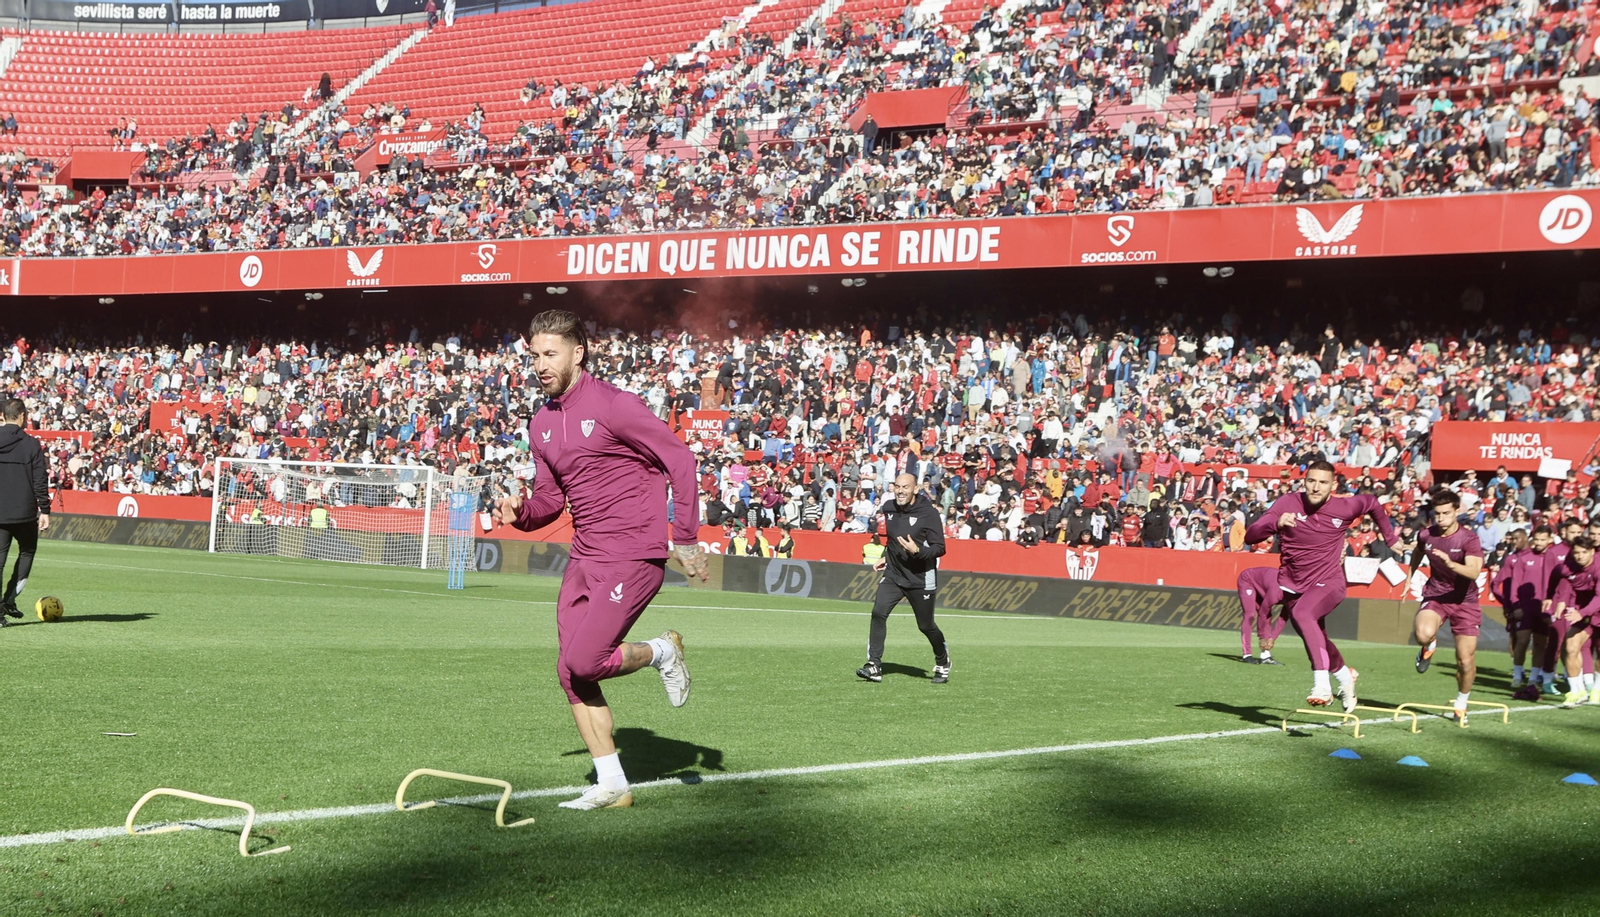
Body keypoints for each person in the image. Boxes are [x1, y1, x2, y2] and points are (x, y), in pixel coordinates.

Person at [496, 311, 705, 811]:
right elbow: (550, 501)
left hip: (633, 553)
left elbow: (682, 460)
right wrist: (520, 512)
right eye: (534, 356)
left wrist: (688, 536)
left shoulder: (615, 406)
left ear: (577, 352)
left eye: (550, 354)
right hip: (585, 556)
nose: (541, 365)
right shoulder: (541, 423)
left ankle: (662, 651)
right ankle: (611, 783)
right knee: (571, 673)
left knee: (584, 659)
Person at [1244, 461, 1396, 711]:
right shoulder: (1287, 503)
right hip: (1296, 586)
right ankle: (1347, 678)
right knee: (1318, 639)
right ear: (1304, 481)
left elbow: (1372, 503)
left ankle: (1322, 685)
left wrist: (1391, 538)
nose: (1316, 487)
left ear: (1333, 485)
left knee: (1303, 614)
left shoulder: (1345, 507)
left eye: (1323, 482)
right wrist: (1276, 523)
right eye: (1311, 481)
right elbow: (1251, 536)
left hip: (1330, 582)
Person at [857, 474, 950, 684]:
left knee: (926, 626)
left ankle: (942, 661)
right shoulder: (889, 508)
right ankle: (874, 665)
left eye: (905, 487)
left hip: (920, 578)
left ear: (915, 489)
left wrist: (917, 550)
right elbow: (892, 540)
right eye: (897, 486)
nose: (900, 491)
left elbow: (940, 548)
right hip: (894, 574)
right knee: (878, 613)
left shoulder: (929, 514)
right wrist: (885, 557)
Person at [1408, 490, 1485, 720]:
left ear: (1457, 511)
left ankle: (1461, 703)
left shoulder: (1469, 539)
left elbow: (1474, 571)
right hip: (1437, 596)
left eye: (1446, 513)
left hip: (1465, 601)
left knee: (1465, 660)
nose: (1440, 518)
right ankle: (1428, 646)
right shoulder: (1426, 535)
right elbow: (1417, 552)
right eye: (1437, 513)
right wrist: (1409, 578)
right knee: (1422, 634)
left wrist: (1451, 564)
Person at [0, 399, 49, 625]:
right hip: (25, 513)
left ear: (4, 416)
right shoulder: (31, 444)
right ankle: (8, 601)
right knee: (27, 552)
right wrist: (45, 510)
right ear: (21, 416)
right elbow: (40, 480)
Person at [1492, 527, 1551, 696]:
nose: (1539, 543)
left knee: (1540, 644)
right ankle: (1517, 675)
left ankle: (1533, 678)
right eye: (1537, 539)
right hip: (1525, 608)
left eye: (1542, 539)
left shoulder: (1551, 558)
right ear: (1532, 539)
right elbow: (1515, 583)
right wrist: (1515, 605)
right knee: (1522, 641)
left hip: (1544, 609)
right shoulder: (1523, 559)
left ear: (1549, 540)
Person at [1549, 535, 1599, 708]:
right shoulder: (1568, 567)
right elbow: (1557, 577)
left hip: (1593, 610)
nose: (1580, 556)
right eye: (1576, 553)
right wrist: (1552, 597)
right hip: (1582, 612)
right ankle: (1577, 691)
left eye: (1584, 552)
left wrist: (1582, 612)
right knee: (1569, 648)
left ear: (1592, 551)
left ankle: (1597, 689)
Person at [1236, 565, 1286, 664]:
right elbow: (1263, 613)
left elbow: (1284, 617)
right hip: (1248, 579)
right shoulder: (1276, 593)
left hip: (1264, 585)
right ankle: (1247, 654)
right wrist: (1262, 637)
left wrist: (1273, 638)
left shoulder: (1296, 597)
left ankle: (1265, 655)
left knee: (1268, 616)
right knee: (1250, 615)